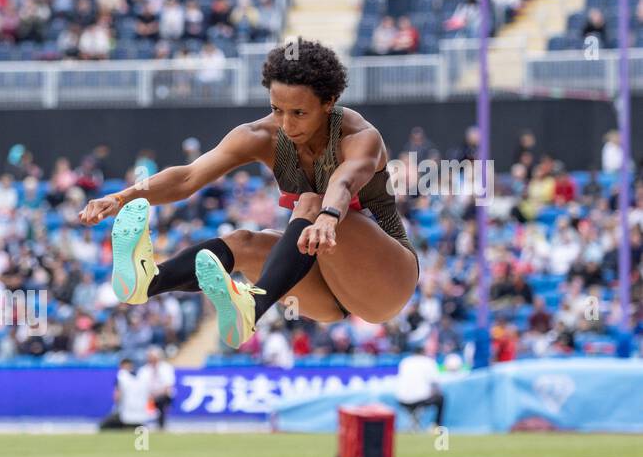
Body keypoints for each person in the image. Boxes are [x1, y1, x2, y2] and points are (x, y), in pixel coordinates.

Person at [80, 38, 419, 351]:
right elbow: (188, 177)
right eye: (277, 109)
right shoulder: (260, 135)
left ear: (329, 102)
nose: (286, 124)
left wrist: (329, 217)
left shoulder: (359, 136)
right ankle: (150, 281)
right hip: (324, 293)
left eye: (299, 113)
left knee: (311, 201)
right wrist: (121, 198)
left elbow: (342, 183)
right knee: (241, 243)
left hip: (387, 282)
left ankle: (253, 307)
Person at [394, 341, 445, 430]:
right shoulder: (428, 362)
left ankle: (414, 421)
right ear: (423, 352)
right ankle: (436, 425)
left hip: (402, 400)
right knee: (441, 398)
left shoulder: (405, 362)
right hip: (421, 399)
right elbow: (435, 383)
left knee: (419, 403)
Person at [98, 358, 154, 430]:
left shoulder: (121, 376)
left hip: (125, 414)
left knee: (103, 426)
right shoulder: (143, 377)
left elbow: (117, 396)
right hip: (141, 416)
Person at [135, 346, 176, 429]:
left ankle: (161, 425)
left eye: (154, 357)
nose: (152, 359)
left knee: (162, 400)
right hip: (147, 395)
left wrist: (155, 395)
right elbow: (140, 386)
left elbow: (168, 386)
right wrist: (149, 395)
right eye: (150, 357)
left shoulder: (166, 368)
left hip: (162, 395)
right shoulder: (143, 370)